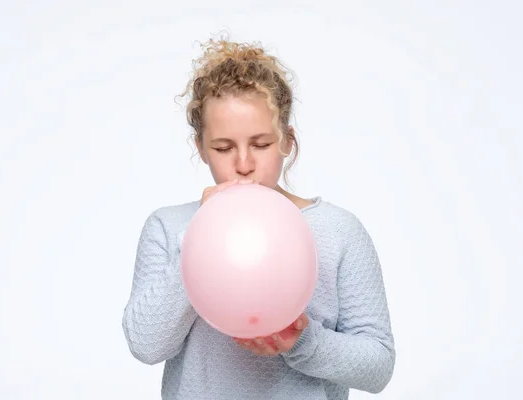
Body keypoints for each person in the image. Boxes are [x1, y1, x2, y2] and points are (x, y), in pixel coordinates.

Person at [122, 37, 396, 400]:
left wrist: (303, 341)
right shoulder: (171, 228)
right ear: (201, 148)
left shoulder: (339, 231)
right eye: (223, 148)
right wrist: (199, 240)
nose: (244, 164)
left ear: (287, 141)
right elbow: (145, 345)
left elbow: (378, 366)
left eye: (261, 144)